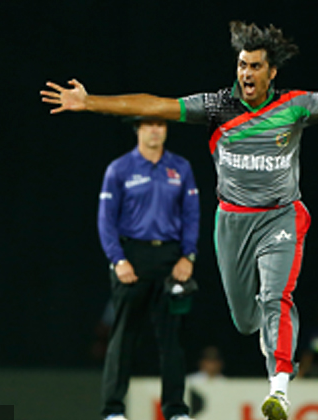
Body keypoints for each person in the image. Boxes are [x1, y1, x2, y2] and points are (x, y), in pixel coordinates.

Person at [41, 21, 318, 420]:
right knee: (246, 320)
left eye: (255, 66)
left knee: (276, 297)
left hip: (281, 217)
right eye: (242, 64)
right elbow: (156, 105)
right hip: (232, 223)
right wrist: (89, 102)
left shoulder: (295, 106)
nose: (246, 73)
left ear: (271, 72)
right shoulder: (217, 107)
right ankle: (270, 339)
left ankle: (278, 385)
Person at [97, 117, 200, 420]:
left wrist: (188, 257)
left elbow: (192, 216)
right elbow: (106, 220)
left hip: (171, 259)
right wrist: (118, 259)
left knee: (172, 340)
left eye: (160, 124)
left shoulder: (180, 167)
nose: (155, 130)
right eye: (148, 125)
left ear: (166, 130)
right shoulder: (120, 169)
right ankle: (113, 410)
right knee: (124, 336)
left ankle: (175, 411)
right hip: (133, 257)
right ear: (137, 130)